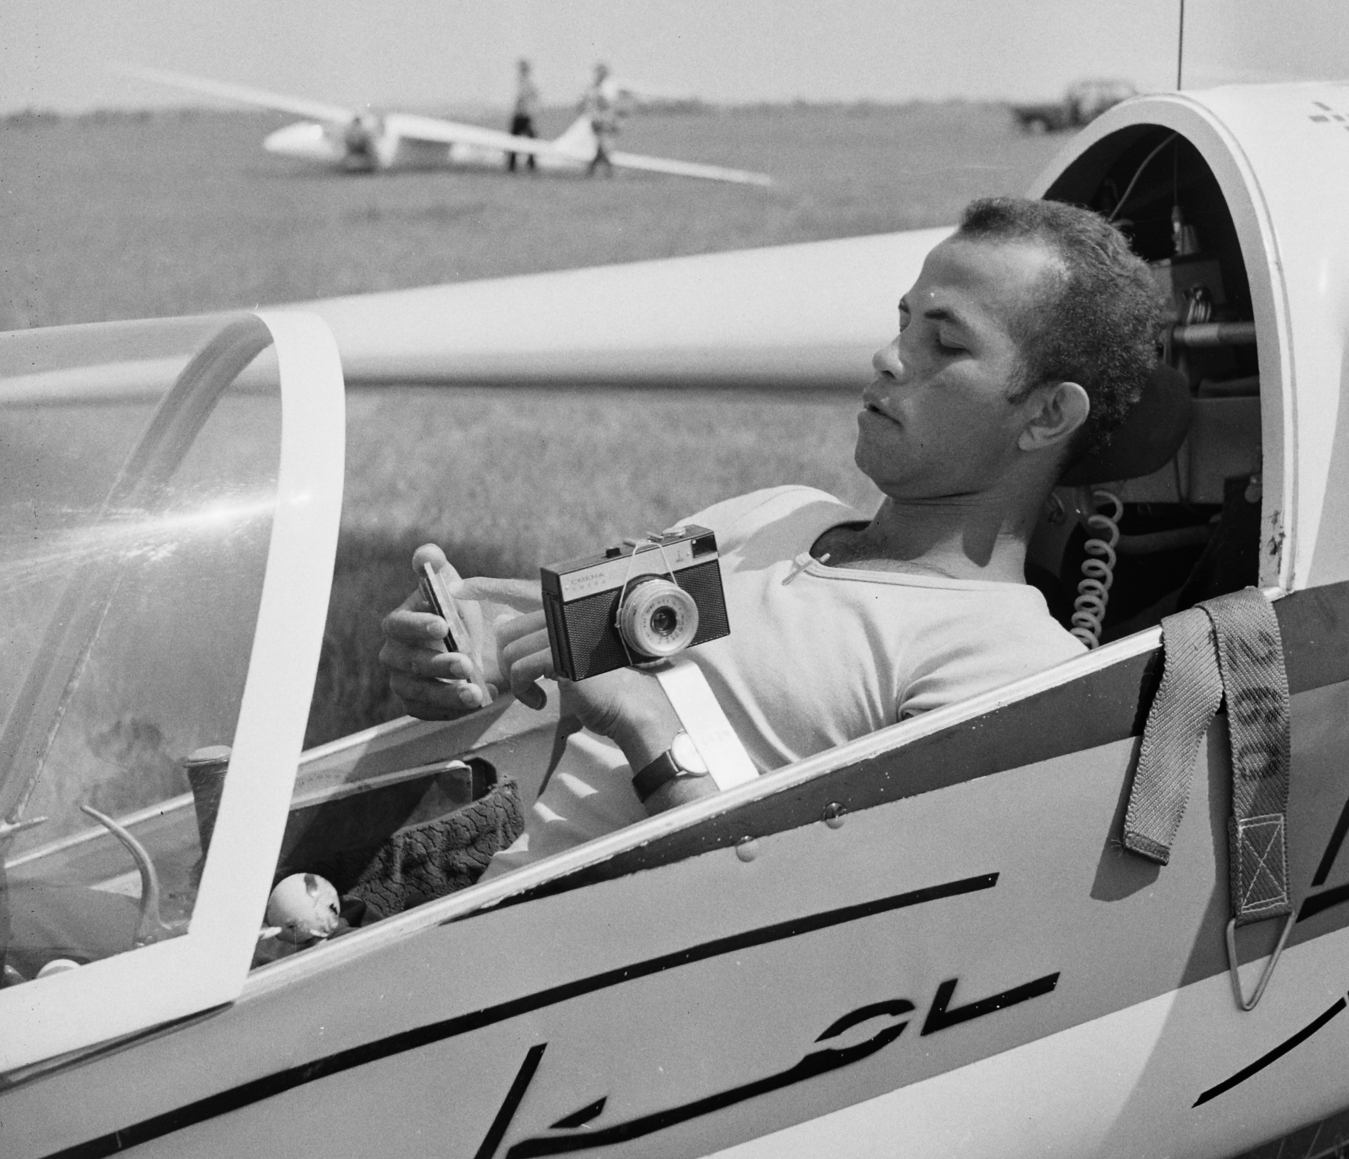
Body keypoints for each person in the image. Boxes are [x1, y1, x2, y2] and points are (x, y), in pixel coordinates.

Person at [380, 197, 1166, 854]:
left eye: (946, 342)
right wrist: (477, 650)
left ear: (1048, 413)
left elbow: (815, 919)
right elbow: (579, 664)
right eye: (903, 322)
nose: (888, 357)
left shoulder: (1011, 664)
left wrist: (645, 721)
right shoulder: (781, 511)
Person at [577, 61, 623, 177]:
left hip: (603, 120)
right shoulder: (597, 88)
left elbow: (608, 104)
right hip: (599, 121)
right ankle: (606, 171)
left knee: (601, 147)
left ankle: (594, 170)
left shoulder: (605, 87)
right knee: (602, 146)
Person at [506, 59, 539, 172]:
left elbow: (530, 98)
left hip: (524, 116)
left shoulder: (526, 84)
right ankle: (513, 165)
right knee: (514, 141)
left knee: (529, 140)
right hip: (519, 115)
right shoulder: (521, 83)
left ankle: (530, 164)